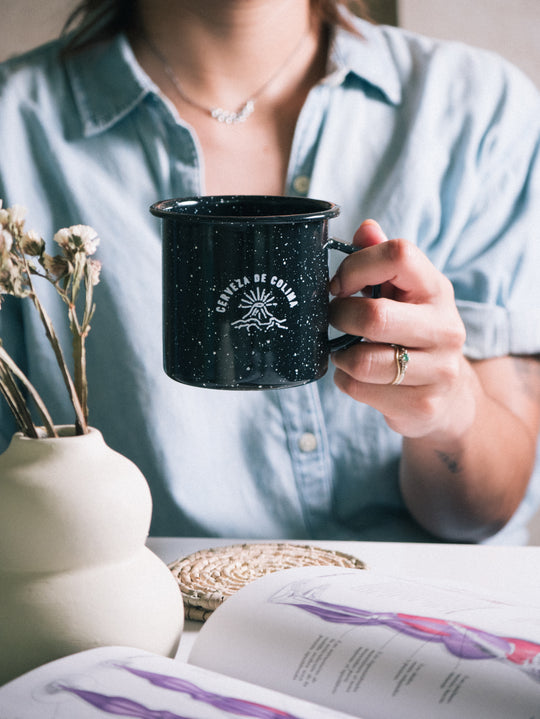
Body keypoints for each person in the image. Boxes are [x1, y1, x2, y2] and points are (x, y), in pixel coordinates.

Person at [1, 0, 539, 543]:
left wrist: (449, 412)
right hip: (138, 614)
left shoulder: (477, 111)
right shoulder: (14, 131)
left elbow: (484, 512)